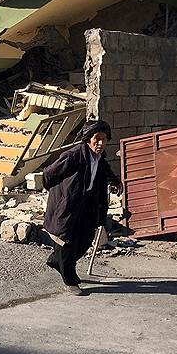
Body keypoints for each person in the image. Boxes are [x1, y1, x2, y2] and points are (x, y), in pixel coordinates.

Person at [43, 119, 120, 294]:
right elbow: (48, 174)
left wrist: (115, 180)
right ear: (88, 138)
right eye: (97, 138)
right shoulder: (74, 155)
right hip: (68, 205)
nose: (100, 143)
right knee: (67, 242)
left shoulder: (99, 158)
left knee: (86, 240)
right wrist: (60, 195)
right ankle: (70, 281)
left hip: (87, 205)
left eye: (104, 139)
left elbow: (105, 169)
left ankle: (57, 261)